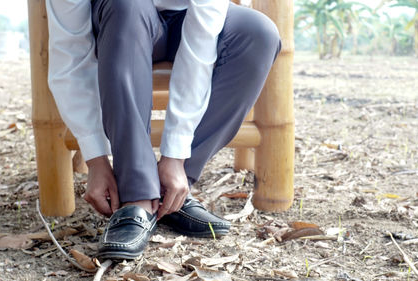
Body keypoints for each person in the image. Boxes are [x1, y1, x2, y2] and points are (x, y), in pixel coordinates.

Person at [45, 0, 281, 259]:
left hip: (188, 18)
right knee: (127, 5)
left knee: (258, 33)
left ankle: (171, 190)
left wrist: (175, 156)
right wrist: (96, 159)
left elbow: (199, 51)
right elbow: (71, 55)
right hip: (119, 26)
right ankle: (137, 196)